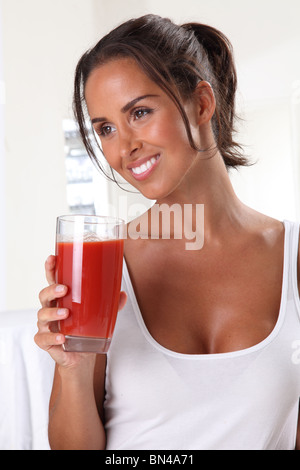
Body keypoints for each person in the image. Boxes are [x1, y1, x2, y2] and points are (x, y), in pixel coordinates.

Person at [35, 14, 300, 450]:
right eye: (105, 129)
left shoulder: (291, 255)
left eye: (139, 112)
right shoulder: (103, 265)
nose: (123, 147)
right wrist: (72, 369)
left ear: (200, 103)